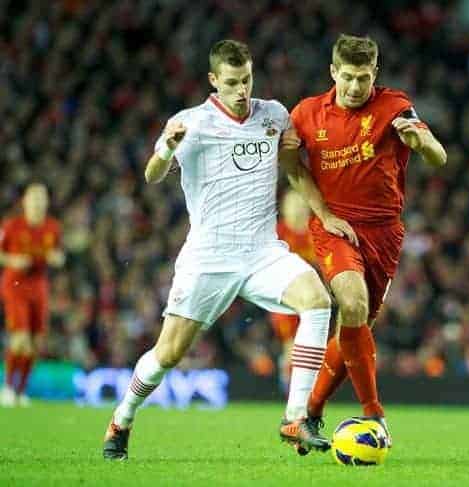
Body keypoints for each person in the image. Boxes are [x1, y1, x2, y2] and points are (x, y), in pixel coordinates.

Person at [102, 39, 355, 460]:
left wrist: (325, 216)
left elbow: (294, 171)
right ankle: (122, 418)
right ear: (213, 81)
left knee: (317, 301)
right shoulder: (191, 123)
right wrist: (165, 146)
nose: (242, 90)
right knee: (168, 354)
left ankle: (296, 417)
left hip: (262, 253)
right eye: (233, 82)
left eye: (248, 80)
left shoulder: (272, 115)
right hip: (209, 258)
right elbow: (152, 175)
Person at [280, 33, 447, 447]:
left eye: (364, 78)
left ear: (376, 74)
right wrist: (323, 214)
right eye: (349, 77)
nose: (356, 87)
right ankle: (375, 415)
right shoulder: (307, 114)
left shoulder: (394, 106)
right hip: (335, 227)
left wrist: (421, 141)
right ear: (333, 72)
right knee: (352, 303)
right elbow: (292, 166)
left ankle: (310, 414)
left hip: (385, 232)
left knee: (354, 326)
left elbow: (439, 157)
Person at [0, 183, 65, 407]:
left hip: (38, 287)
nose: (37, 203)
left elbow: (58, 253)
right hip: (15, 285)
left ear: (46, 203)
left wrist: (57, 258)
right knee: (21, 339)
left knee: (36, 344)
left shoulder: (53, 227)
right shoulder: (12, 226)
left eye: (41, 199)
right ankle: (7, 388)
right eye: (33, 199)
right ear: (25, 202)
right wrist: (12, 260)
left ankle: (20, 391)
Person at [269, 189, 319, 392]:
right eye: (293, 205)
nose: (297, 209)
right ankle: (290, 381)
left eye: (301, 204)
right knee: (293, 341)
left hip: (311, 296)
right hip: (284, 294)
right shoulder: (278, 232)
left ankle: (301, 380)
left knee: (309, 339)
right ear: (284, 208)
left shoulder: (314, 232)